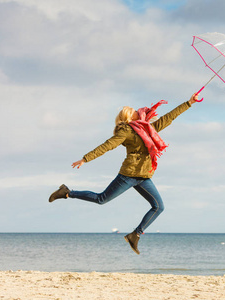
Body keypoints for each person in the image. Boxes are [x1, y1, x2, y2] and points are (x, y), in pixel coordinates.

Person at [49, 93, 200, 254]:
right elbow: (107, 145)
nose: (138, 112)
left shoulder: (148, 128)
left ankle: (135, 235)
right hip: (128, 175)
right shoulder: (126, 131)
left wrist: (189, 102)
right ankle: (67, 193)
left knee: (158, 207)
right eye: (134, 111)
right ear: (129, 117)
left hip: (144, 176)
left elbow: (169, 117)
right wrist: (85, 159)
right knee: (101, 199)